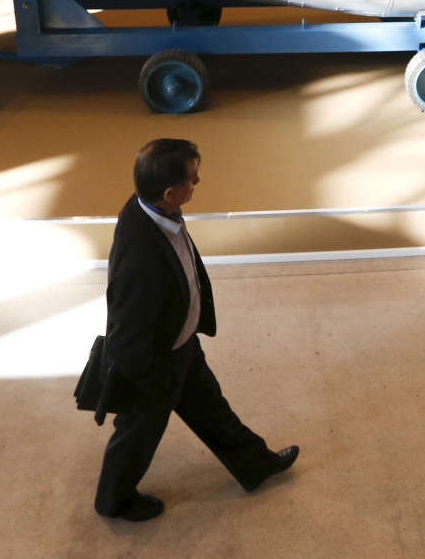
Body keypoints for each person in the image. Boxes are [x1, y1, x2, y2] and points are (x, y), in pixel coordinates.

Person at [92, 138, 298, 522]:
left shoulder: (148, 207)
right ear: (170, 193)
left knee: (213, 411)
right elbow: (125, 341)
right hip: (154, 365)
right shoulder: (140, 261)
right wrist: (158, 384)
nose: (198, 181)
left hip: (179, 345)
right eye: (192, 177)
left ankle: (256, 465)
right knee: (138, 435)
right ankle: (113, 501)